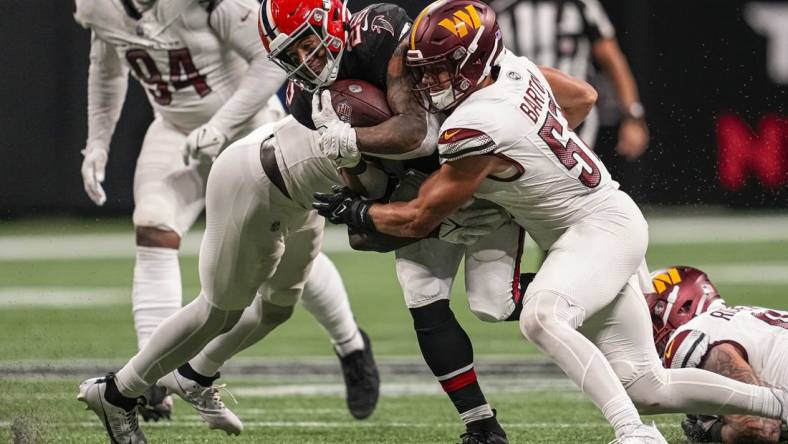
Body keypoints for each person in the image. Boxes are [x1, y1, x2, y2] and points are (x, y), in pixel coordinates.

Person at [312, 1, 788, 442]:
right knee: (646, 384)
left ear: (476, 61)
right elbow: (581, 96)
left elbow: (419, 218)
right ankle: (777, 403)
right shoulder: (512, 69)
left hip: (597, 229)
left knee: (542, 316)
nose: (432, 81)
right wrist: (530, 161)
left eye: (442, 68)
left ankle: (634, 434)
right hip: (592, 226)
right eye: (424, 69)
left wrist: (359, 211)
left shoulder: (476, 123)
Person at [73, 0, 378, 424]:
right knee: (153, 228)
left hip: (249, 128)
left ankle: (351, 346)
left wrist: (220, 123)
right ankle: (152, 382)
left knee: (285, 259)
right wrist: (99, 141)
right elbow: (106, 69)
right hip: (173, 128)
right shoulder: (96, 8)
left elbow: (272, 61)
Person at [259, 0, 527, 441]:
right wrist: (350, 158)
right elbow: (370, 188)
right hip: (420, 184)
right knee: (418, 289)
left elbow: (418, 132)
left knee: (497, 302)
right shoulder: (305, 98)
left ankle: (589, 292)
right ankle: (481, 426)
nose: (304, 60)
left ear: (332, 20)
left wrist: (352, 135)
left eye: (306, 42)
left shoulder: (379, 32)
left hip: (474, 166)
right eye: (290, 55)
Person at [490, 0, 648, 160]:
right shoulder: (498, 8)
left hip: (572, 113)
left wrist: (632, 115)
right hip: (518, 112)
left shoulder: (580, 4)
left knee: (564, 178)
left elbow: (612, 60)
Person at [646, 266, 788, 443]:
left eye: (652, 322)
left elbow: (760, 428)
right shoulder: (745, 318)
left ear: (683, 306)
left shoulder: (692, 335)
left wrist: (711, 433)